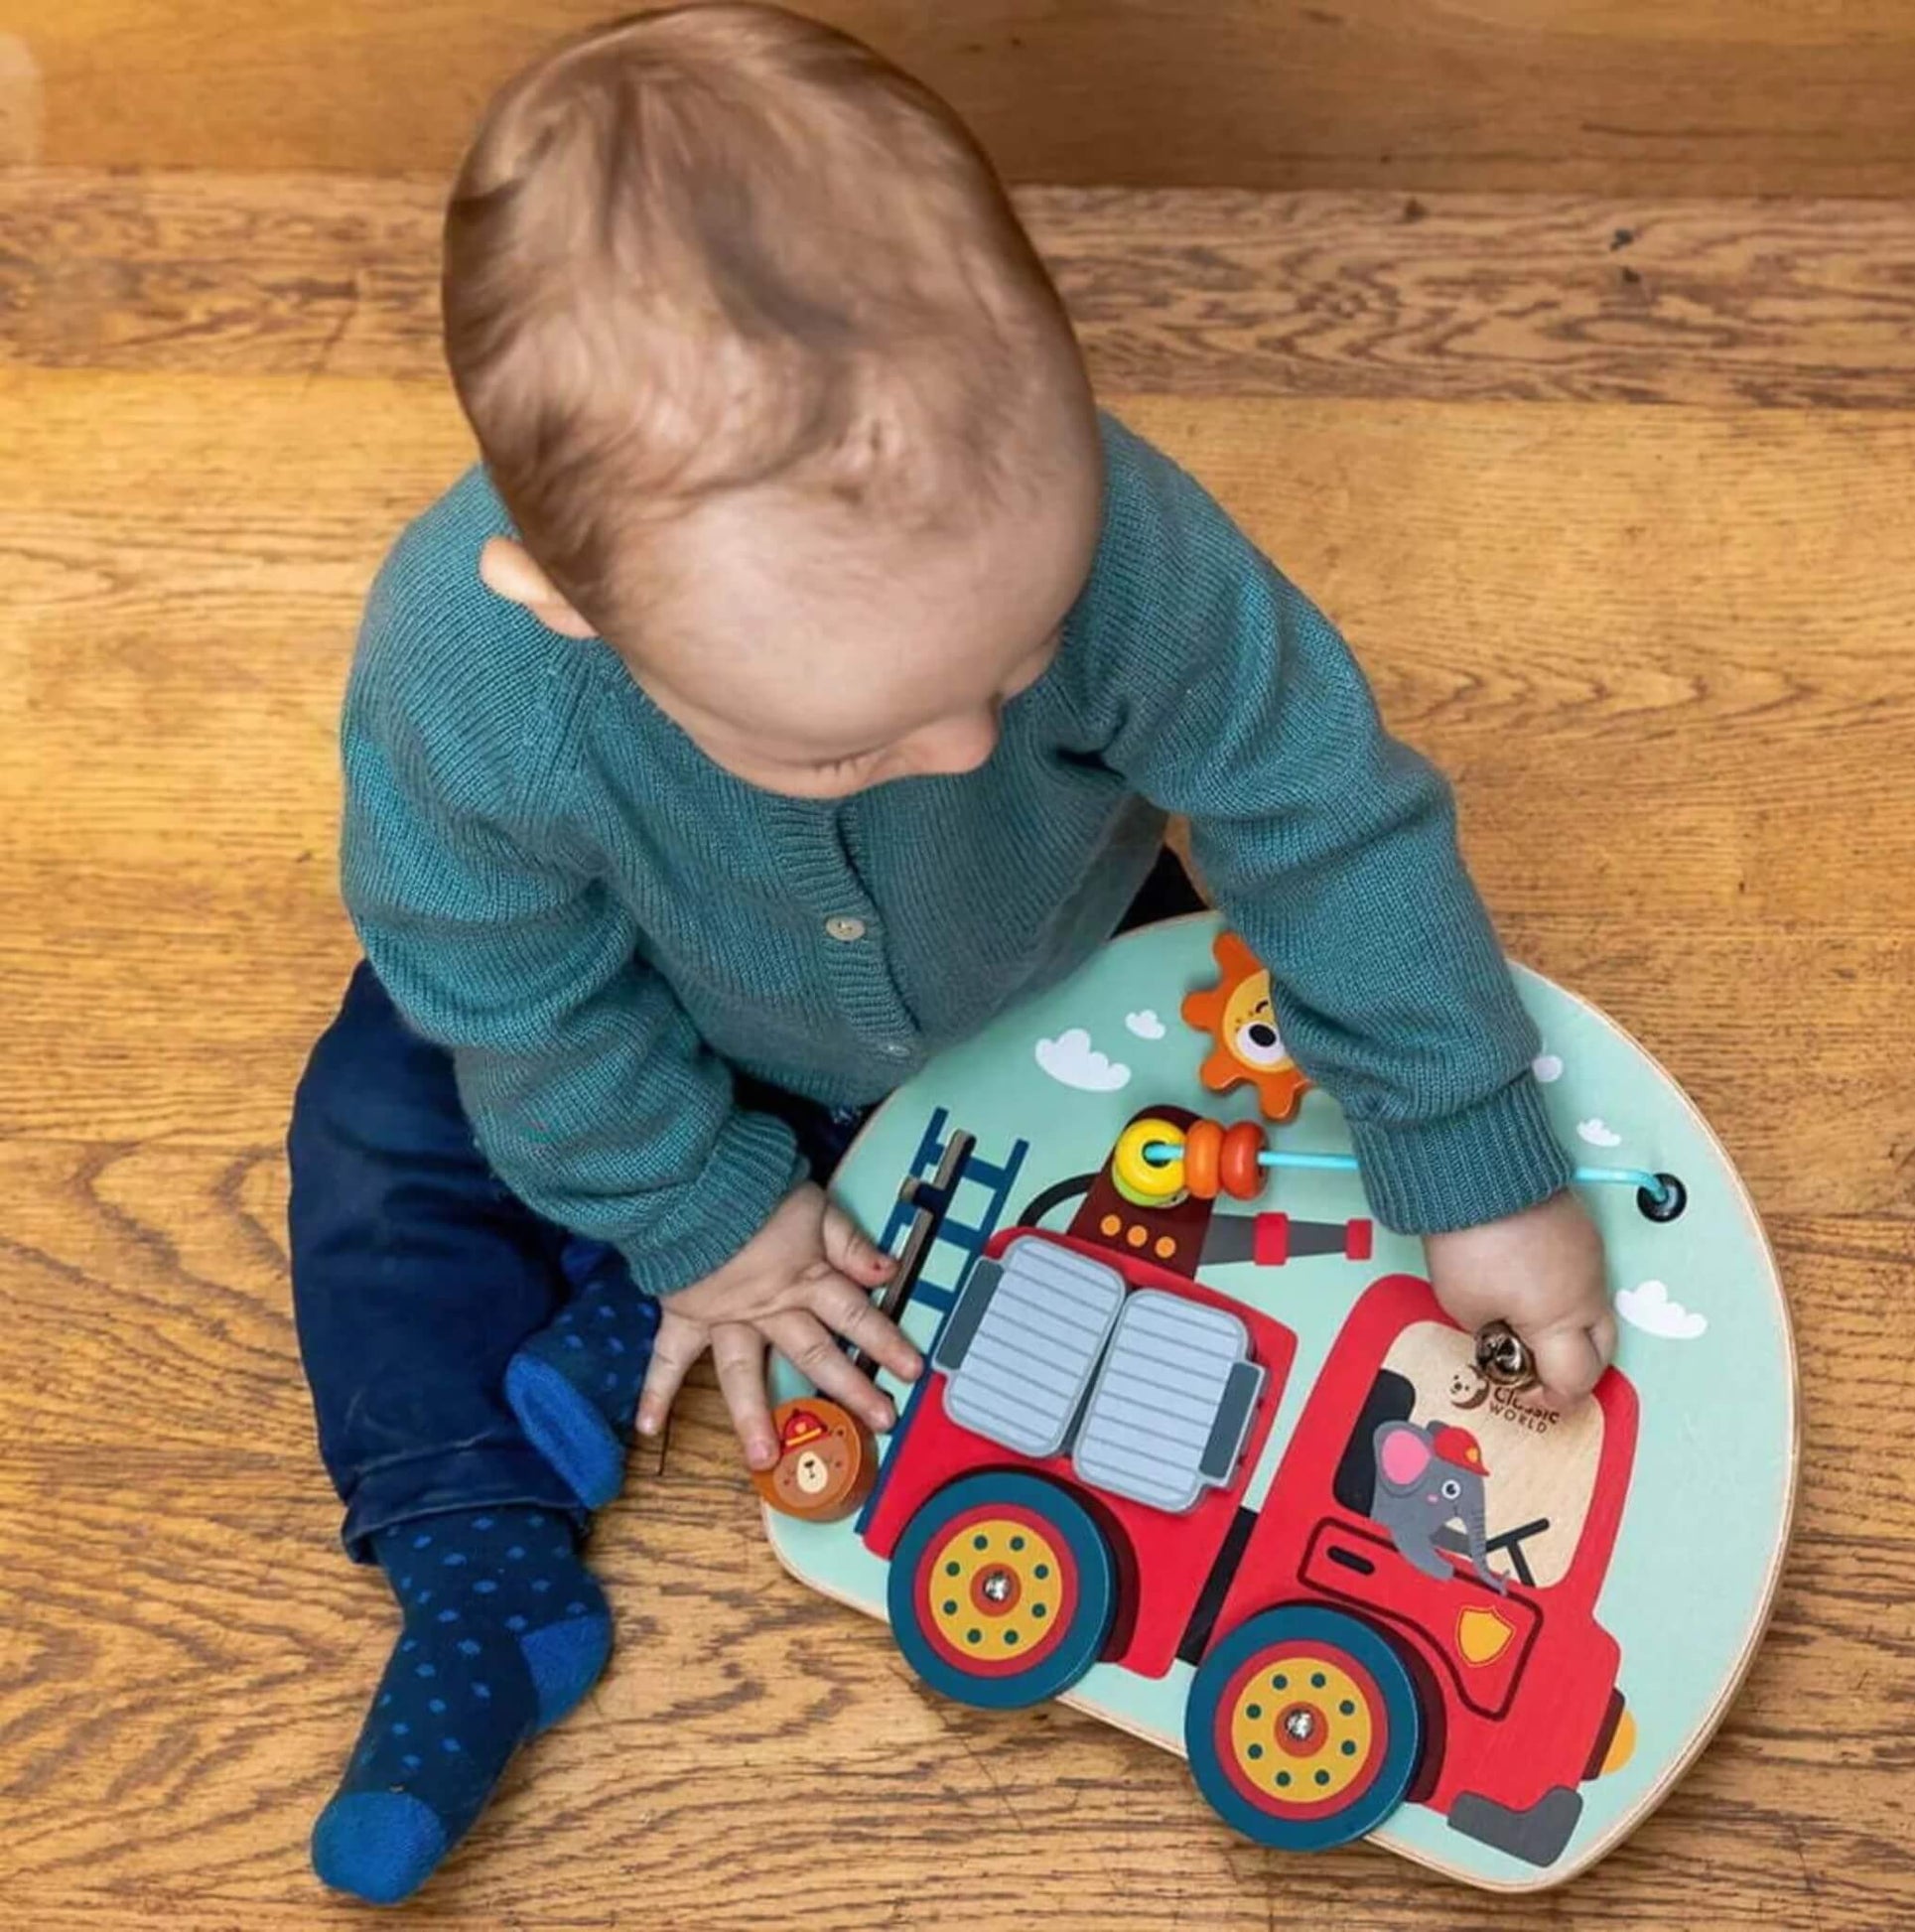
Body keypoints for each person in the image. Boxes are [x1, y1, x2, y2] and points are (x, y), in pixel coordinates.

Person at [287, 3, 1612, 1903]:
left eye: (1010, 665)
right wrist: (686, 1196)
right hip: (627, 996)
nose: (976, 753)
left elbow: (1319, 807)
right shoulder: (458, 677)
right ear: (570, 605)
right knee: (372, 1145)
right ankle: (472, 1545)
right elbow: (505, 985)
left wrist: (1466, 1142)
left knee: (1143, 1172)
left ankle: (700, 1272)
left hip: (1035, 974)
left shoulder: (1120, 537)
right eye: (850, 741)